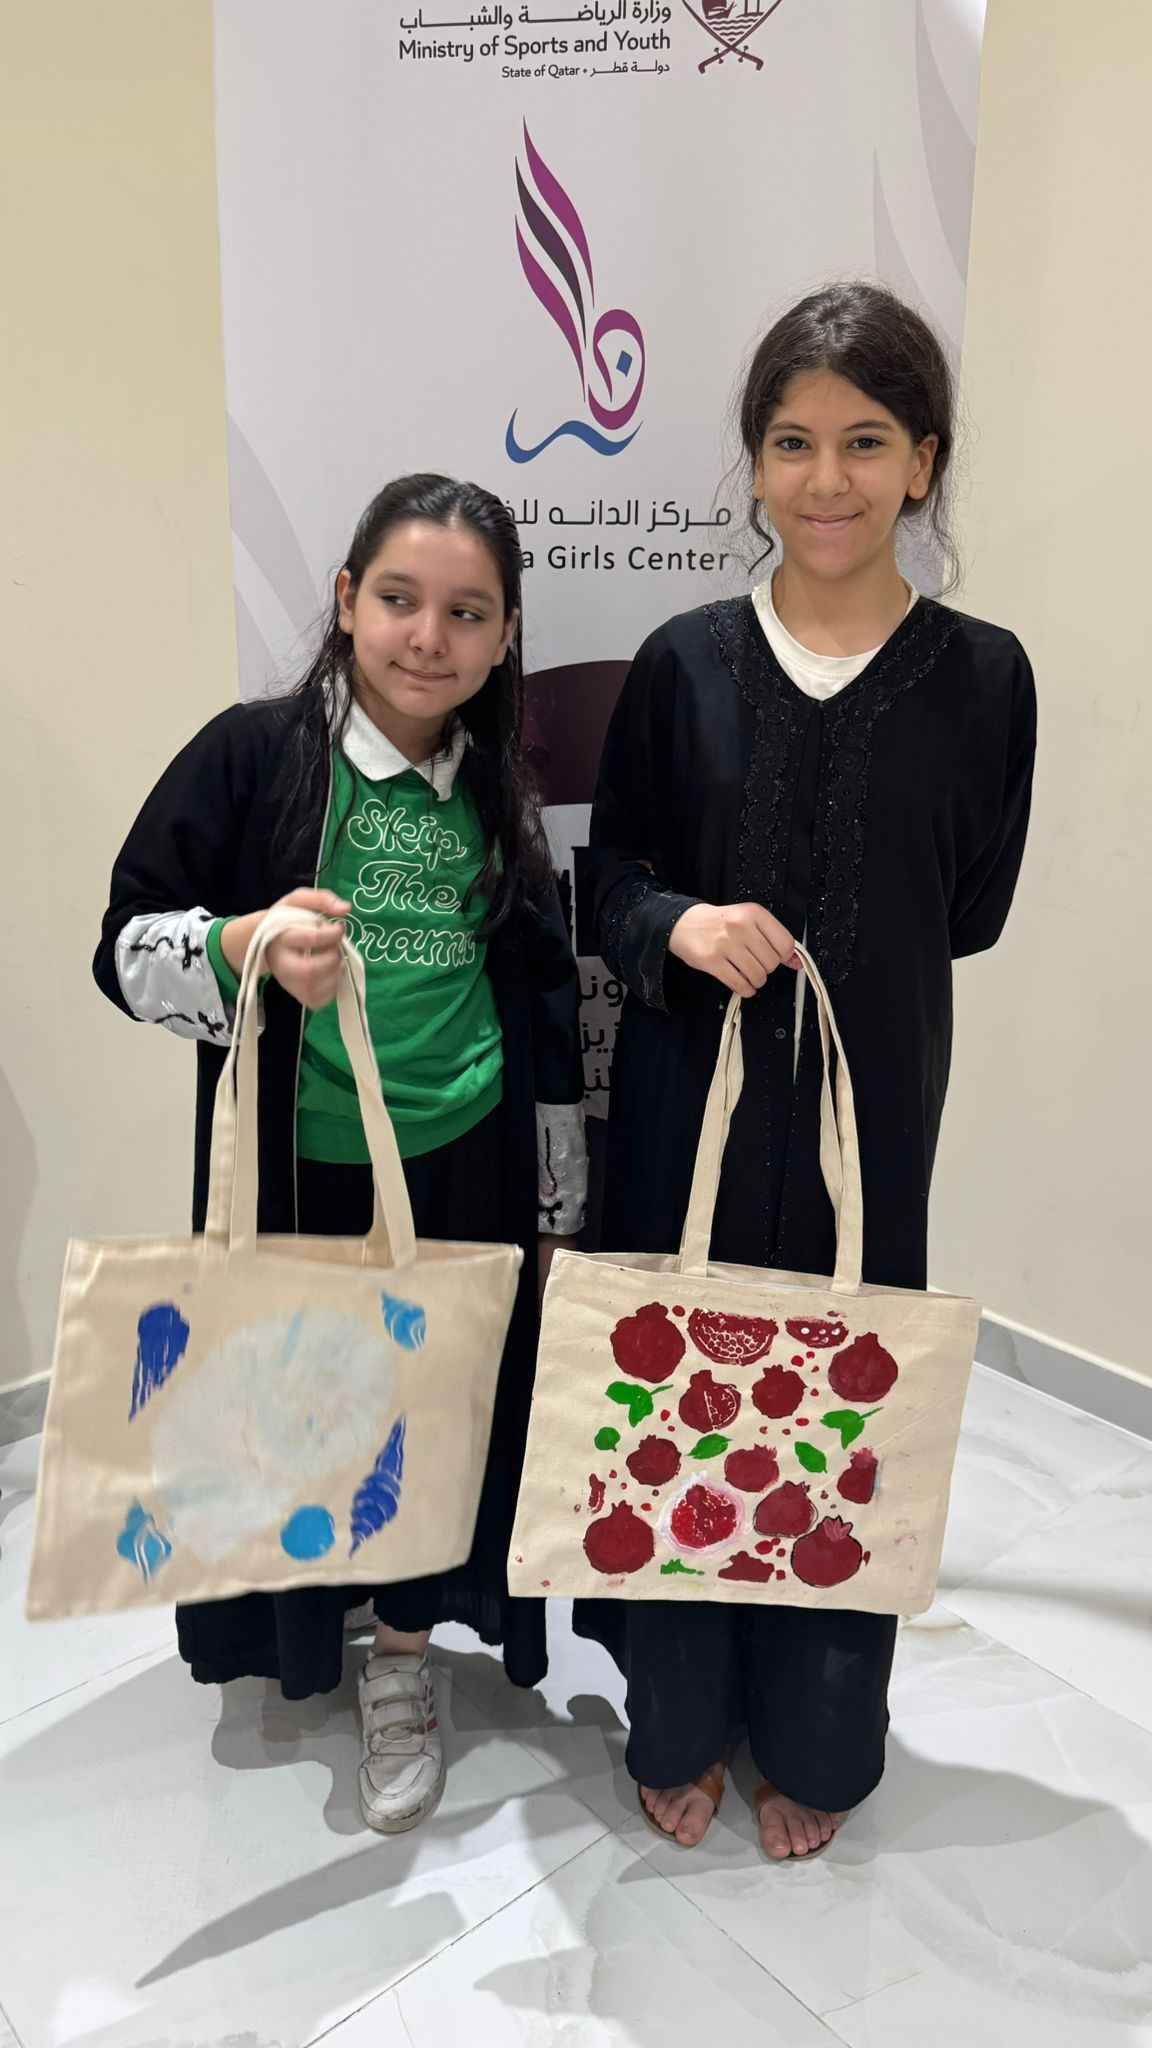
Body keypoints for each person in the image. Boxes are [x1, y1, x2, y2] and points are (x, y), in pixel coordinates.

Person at [574, 282, 1036, 1860]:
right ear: (755, 460)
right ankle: (680, 1714)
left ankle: (819, 1723)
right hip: (684, 1119)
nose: (825, 479)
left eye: (865, 442)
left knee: (840, 1401)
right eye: (790, 442)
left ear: (925, 461)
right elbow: (608, 883)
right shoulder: (682, 661)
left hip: (867, 1122)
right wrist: (681, 924)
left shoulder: (985, 678)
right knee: (682, 1396)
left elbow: (970, 907)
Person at [94, 474, 586, 1834]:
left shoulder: (496, 790)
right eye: (399, 599)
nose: (429, 637)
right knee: (301, 1411)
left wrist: (557, 1198)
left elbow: (540, 988)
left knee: (427, 1416)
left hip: (461, 1167)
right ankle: (312, 1625)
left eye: (467, 613)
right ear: (345, 600)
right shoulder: (253, 757)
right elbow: (121, 946)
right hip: (298, 1175)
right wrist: (237, 945)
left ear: (504, 636)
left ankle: (405, 1658)